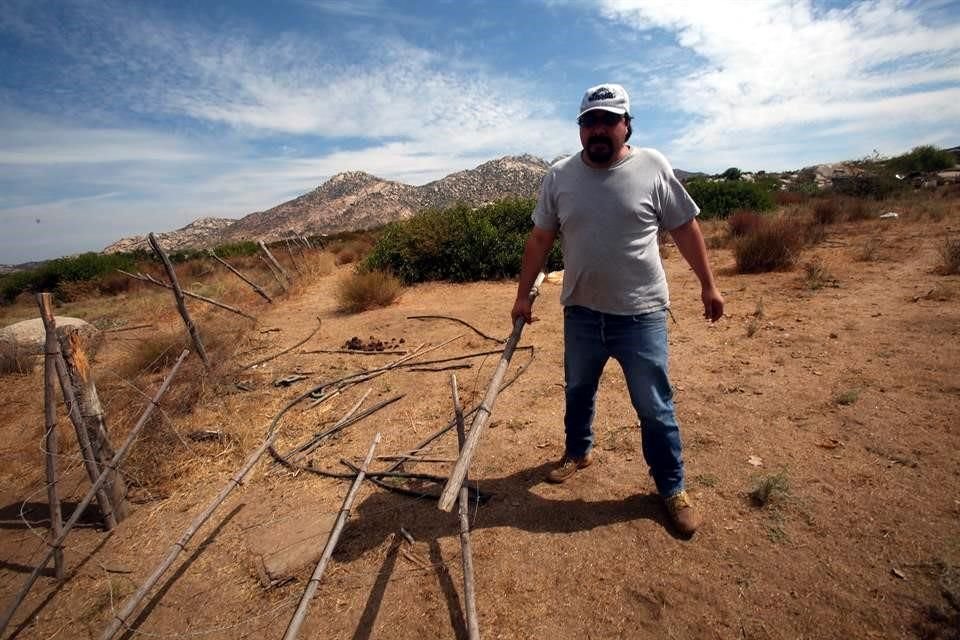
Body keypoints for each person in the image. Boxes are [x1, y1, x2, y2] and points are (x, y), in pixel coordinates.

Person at [511, 83, 724, 536]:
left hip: (641, 314)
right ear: (580, 129)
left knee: (654, 407)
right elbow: (540, 240)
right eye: (589, 122)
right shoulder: (559, 176)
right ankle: (578, 451)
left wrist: (709, 285)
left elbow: (685, 229)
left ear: (627, 124)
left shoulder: (652, 167)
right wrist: (522, 294)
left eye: (608, 119)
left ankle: (672, 488)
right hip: (583, 313)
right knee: (578, 390)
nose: (598, 129)